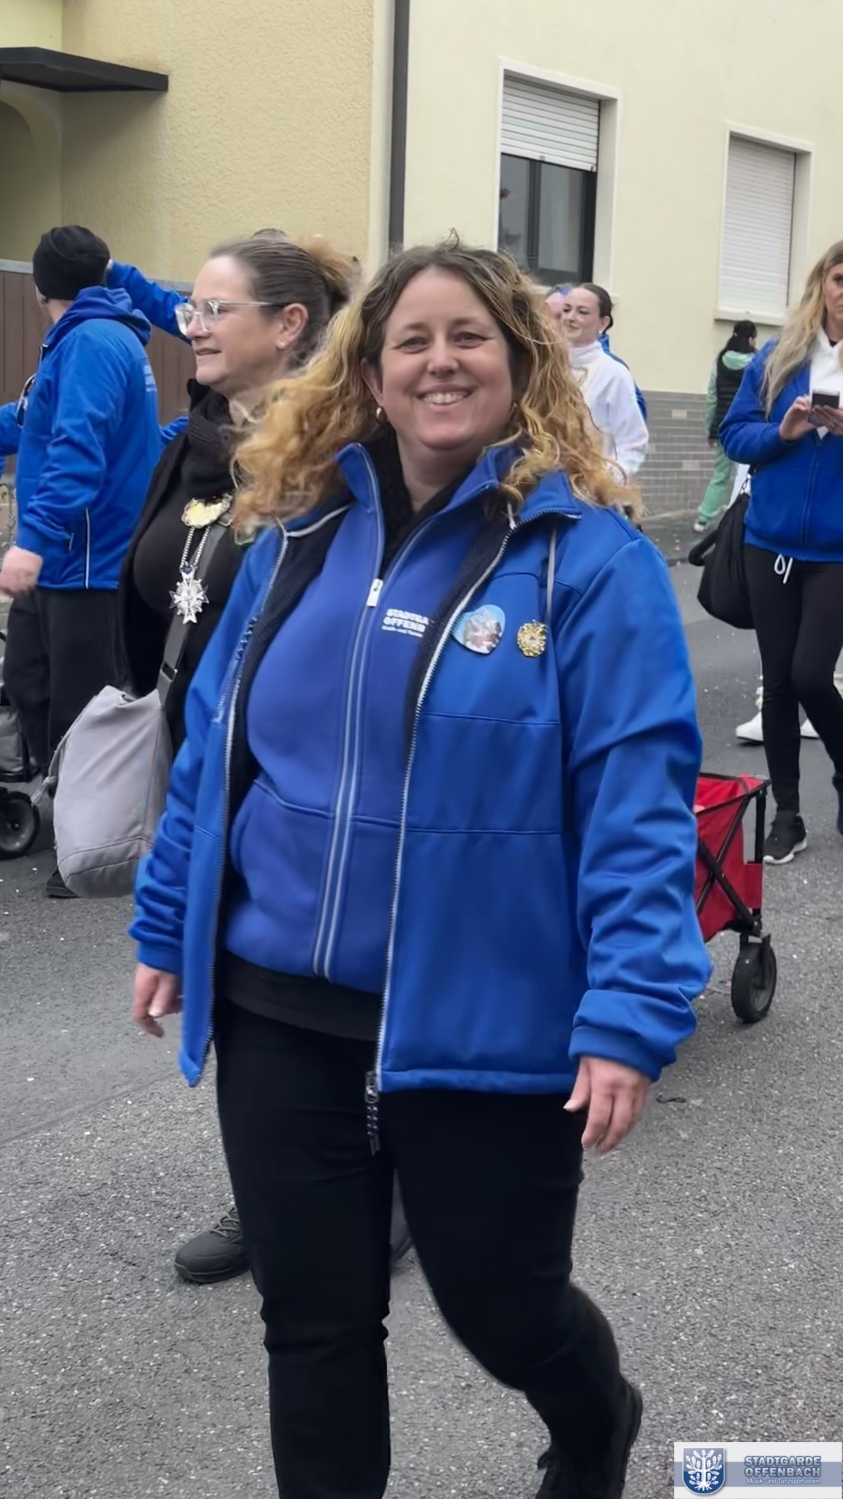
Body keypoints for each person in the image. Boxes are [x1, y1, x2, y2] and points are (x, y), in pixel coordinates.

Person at [130, 237, 710, 1498]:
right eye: (412, 340)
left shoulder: (586, 561)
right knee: (313, 1319)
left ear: (522, 362)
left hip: (485, 1016)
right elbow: (216, 742)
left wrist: (629, 1008)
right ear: (371, 370)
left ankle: (596, 1418)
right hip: (282, 1006)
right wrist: (167, 918)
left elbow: (636, 805)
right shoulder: (296, 532)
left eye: (469, 337)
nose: (440, 362)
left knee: (505, 1310)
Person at [117, 231, 363, 1285]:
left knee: (306, 984)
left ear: (289, 325)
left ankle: (362, 1175)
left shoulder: (337, 456)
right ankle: (275, 1184)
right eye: (193, 309)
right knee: (232, 979)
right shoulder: (201, 437)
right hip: (203, 751)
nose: (194, 327)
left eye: (214, 309)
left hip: (297, 777)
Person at [0, 226, 160, 896]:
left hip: (87, 560)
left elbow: (77, 450)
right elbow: (32, 421)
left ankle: (91, 843)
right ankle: (64, 806)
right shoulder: (82, 338)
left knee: (80, 706)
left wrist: (30, 540)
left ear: (41, 290)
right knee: (26, 679)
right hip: (63, 560)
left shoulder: (94, 341)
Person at [721, 239, 843, 864]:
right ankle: (788, 813)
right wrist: (783, 432)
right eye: (840, 279)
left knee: (811, 675)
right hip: (767, 542)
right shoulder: (780, 355)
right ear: (823, 284)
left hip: (837, 552)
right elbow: (734, 435)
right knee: (778, 684)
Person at [555, 283, 649, 478]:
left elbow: (633, 443)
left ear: (603, 323)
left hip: (588, 489)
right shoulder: (545, 365)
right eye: (566, 309)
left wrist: (605, 483)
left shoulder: (613, 373)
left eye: (582, 312)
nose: (570, 317)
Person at [545, 284, 648, 420]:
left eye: (559, 315)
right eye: (545, 315)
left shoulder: (612, 371)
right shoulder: (540, 362)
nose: (549, 324)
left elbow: (632, 422)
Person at [693, 321, 757, 533]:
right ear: (751, 339)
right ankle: (740, 519)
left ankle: (703, 518)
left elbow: (712, 398)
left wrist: (710, 429)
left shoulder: (719, 361)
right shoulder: (757, 363)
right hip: (748, 428)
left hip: (724, 427)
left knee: (720, 475)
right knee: (745, 475)